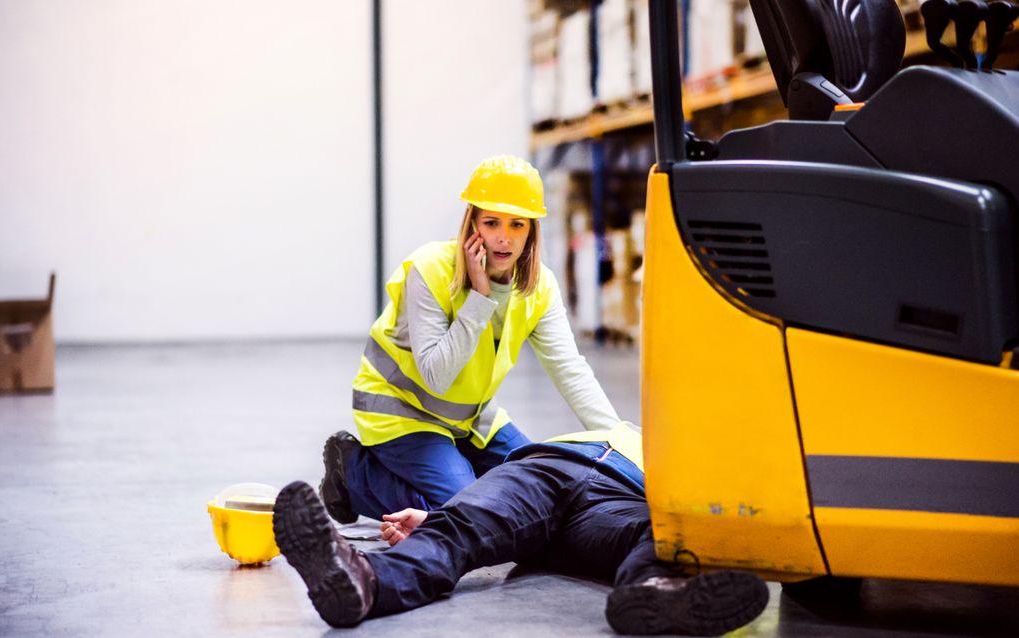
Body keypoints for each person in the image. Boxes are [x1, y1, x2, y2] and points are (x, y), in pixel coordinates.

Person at [322, 155, 634, 524]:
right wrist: (480, 298)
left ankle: (452, 468)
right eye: (491, 222)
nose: (503, 237)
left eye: (517, 224)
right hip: (401, 412)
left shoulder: (540, 286)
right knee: (473, 514)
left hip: (471, 418)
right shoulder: (431, 268)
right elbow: (436, 376)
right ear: (472, 224)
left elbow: (569, 369)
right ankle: (354, 475)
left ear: (531, 231)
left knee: (541, 487)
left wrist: (620, 445)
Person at [274, 424, 770, 635]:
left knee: (659, 534)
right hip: (547, 468)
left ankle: (653, 594)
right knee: (459, 525)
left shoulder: (673, 441)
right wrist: (435, 513)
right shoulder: (613, 430)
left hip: (621, 495)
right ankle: (362, 581)